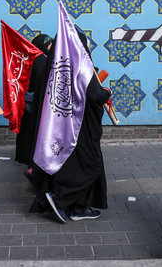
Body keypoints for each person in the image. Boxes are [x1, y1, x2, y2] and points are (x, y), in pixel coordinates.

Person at [30, 30, 111, 222]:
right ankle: (61, 198)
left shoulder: (56, 66)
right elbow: (95, 94)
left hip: (61, 128)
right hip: (80, 128)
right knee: (91, 164)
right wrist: (105, 93)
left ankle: (76, 207)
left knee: (72, 165)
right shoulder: (81, 65)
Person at [15, 33, 53, 168]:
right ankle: (29, 157)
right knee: (32, 130)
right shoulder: (41, 60)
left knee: (28, 129)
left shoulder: (36, 58)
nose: (51, 46)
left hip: (30, 99)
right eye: (49, 44)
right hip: (35, 100)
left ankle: (25, 155)